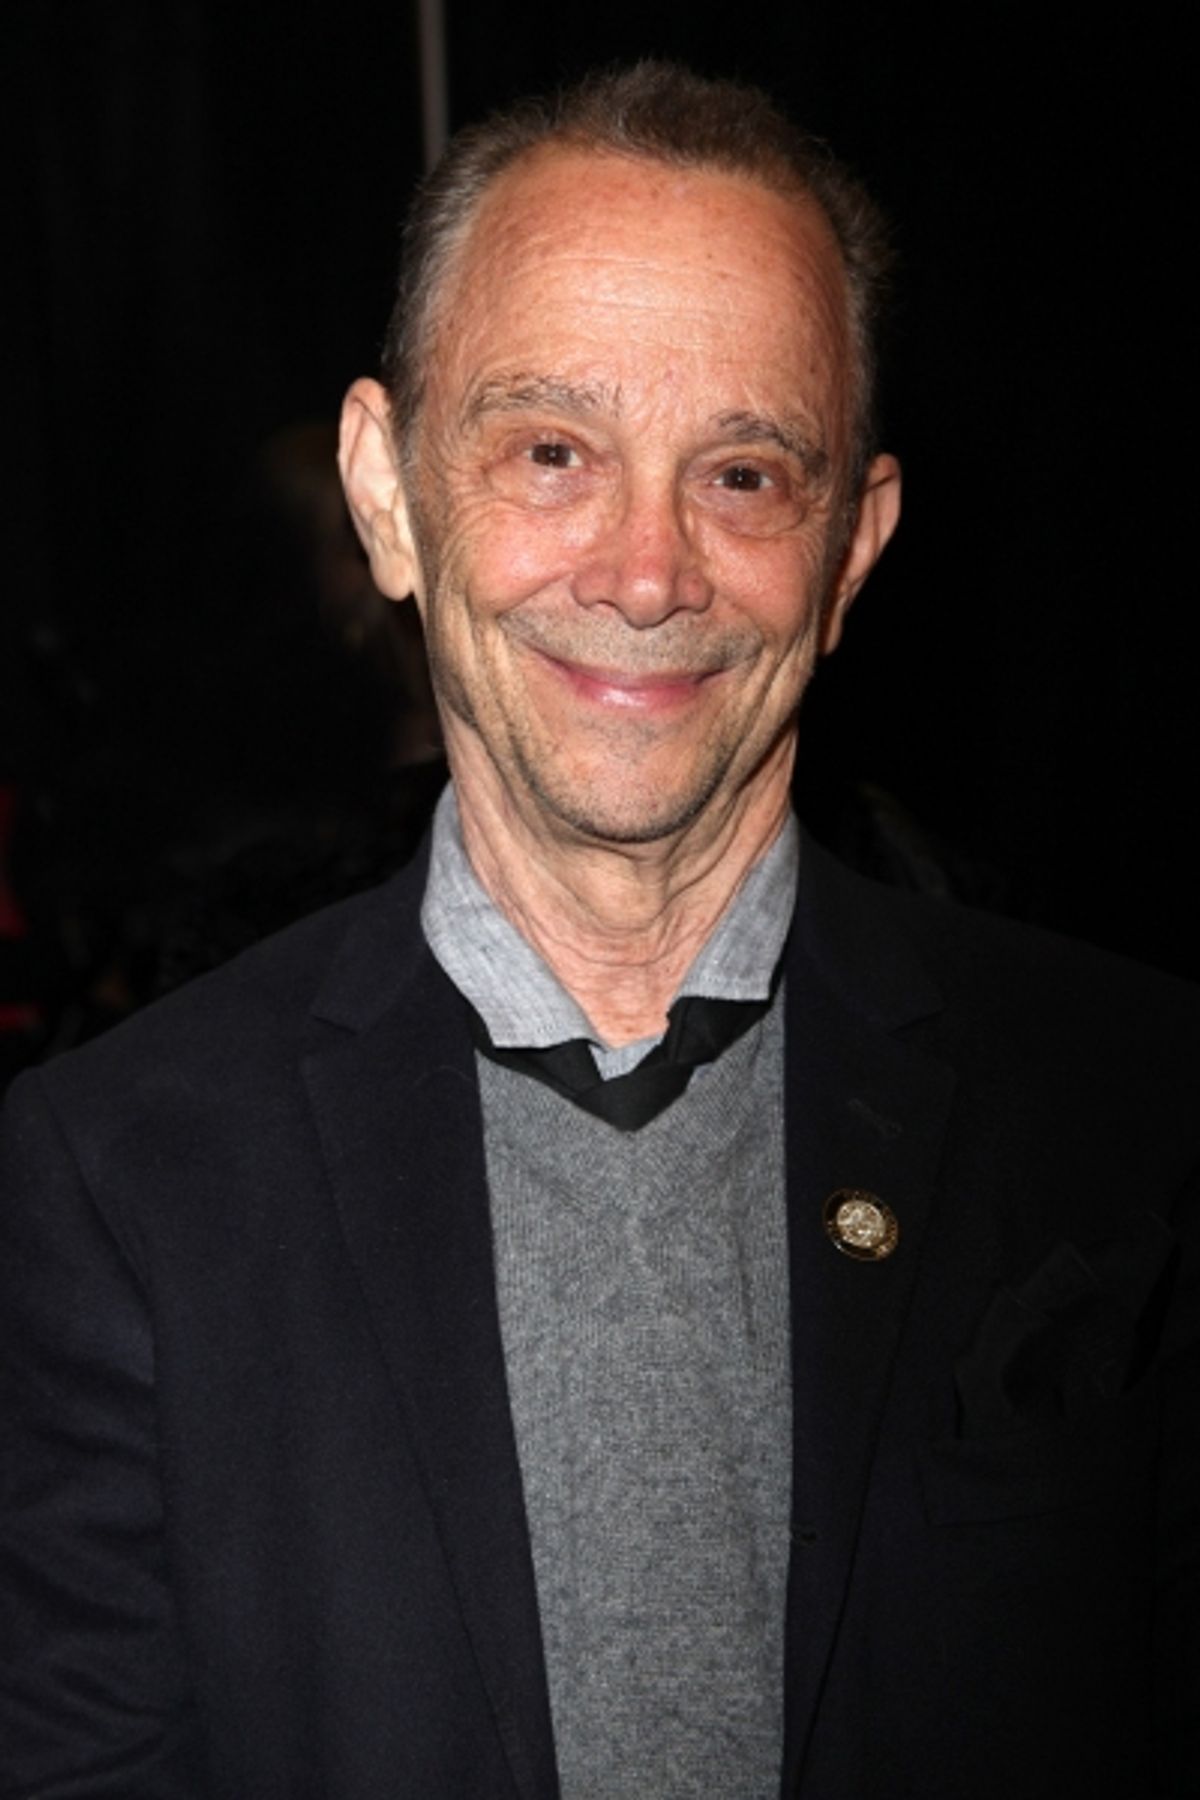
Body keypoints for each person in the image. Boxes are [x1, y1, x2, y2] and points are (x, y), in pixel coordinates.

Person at [1, 61, 1196, 1800]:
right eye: (553, 452)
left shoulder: (1136, 1105)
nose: (648, 572)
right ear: (388, 493)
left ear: (853, 549)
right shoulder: (117, 1180)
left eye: (744, 474)